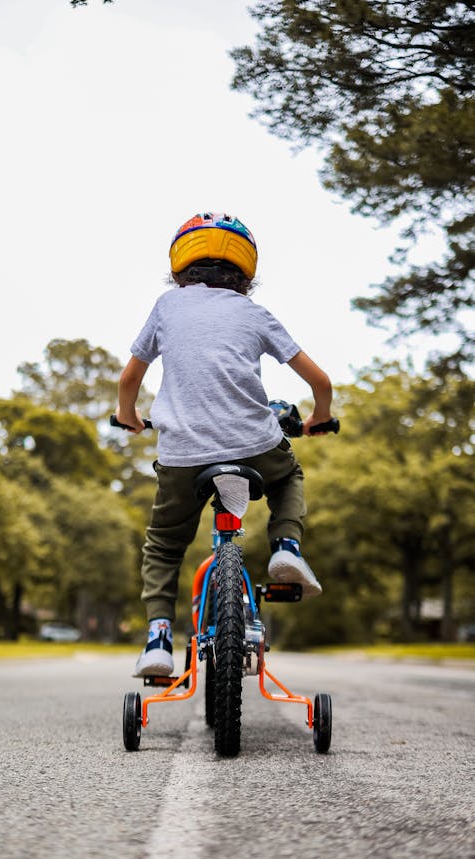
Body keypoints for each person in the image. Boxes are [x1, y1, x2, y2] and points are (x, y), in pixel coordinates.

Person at [116, 212, 334, 677]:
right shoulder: (254, 313)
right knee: (288, 476)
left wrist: (128, 417)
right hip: (254, 443)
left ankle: (157, 637)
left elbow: (129, 378)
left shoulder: (166, 308)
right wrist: (320, 415)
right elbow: (320, 380)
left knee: (164, 545)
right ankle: (287, 549)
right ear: (245, 271)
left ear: (179, 267)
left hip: (183, 454)